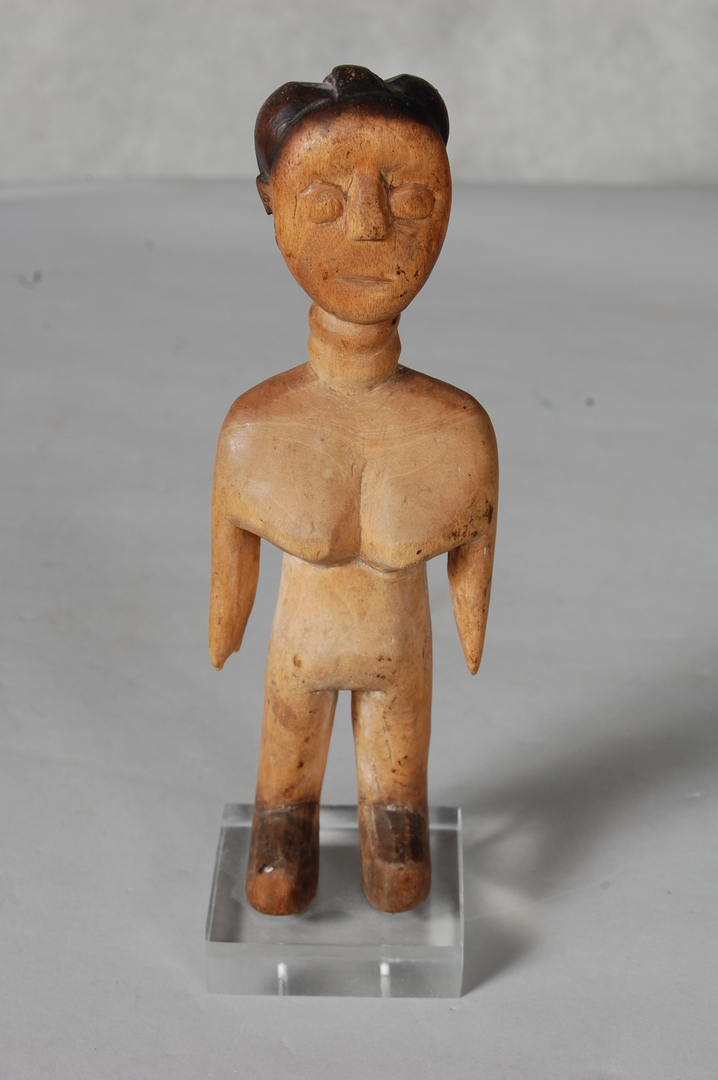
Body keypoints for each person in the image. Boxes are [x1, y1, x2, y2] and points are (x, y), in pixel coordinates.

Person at [209, 66, 498, 915]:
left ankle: (393, 818)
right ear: (272, 206)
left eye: (411, 196)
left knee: (399, 814)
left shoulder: (456, 429)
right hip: (296, 664)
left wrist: (473, 618)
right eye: (326, 201)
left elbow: (476, 552)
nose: (371, 226)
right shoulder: (257, 427)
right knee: (285, 774)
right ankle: (283, 818)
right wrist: (226, 617)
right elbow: (231, 552)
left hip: (402, 666)